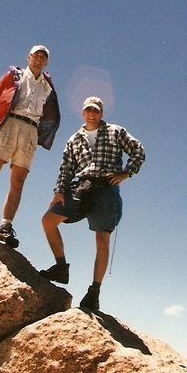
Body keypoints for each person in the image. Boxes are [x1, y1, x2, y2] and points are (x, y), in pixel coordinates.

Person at [39, 96, 145, 311]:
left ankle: (94, 292)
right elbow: (66, 168)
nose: (92, 114)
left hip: (106, 188)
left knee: (102, 238)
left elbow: (138, 150)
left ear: (101, 113)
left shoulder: (116, 132)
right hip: (82, 186)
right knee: (48, 220)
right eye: (88, 110)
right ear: (82, 112)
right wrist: (59, 190)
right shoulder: (75, 139)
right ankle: (61, 267)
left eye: (95, 111)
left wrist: (126, 173)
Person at [0, 45, 60, 248]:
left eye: (43, 57)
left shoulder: (47, 86)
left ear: (46, 62)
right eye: (36, 55)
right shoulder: (14, 75)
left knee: (18, 181)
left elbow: (50, 112)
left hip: (30, 130)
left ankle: (5, 227)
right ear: (28, 57)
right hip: (9, 124)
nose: (39, 59)